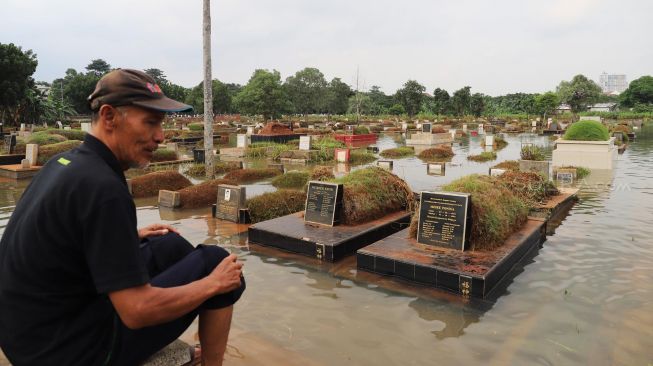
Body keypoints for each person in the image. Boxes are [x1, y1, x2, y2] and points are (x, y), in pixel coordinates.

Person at [0, 69, 246, 366]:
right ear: (109, 116)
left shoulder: (64, 163)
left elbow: (56, 238)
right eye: (151, 122)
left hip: (27, 336)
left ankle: (206, 343)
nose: (160, 136)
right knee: (217, 264)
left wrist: (124, 238)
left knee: (168, 245)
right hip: (67, 352)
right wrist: (213, 285)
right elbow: (136, 310)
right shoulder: (104, 188)